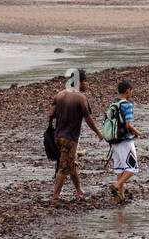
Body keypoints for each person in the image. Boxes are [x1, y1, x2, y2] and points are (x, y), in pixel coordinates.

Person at [48, 70, 103, 203]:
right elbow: (88, 119)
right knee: (64, 167)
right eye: (85, 81)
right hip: (70, 138)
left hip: (57, 136)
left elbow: (51, 113)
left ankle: (79, 191)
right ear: (79, 82)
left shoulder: (60, 95)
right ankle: (55, 196)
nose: (87, 84)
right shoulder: (80, 98)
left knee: (71, 164)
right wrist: (99, 133)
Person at [107, 79, 141, 204]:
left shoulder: (113, 104)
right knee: (132, 168)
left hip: (114, 141)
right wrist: (136, 131)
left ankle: (121, 196)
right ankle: (116, 186)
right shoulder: (128, 105)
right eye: (131, 91)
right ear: (128, 91)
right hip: (125, 141)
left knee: (120, 168)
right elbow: (128, 124)